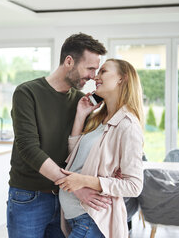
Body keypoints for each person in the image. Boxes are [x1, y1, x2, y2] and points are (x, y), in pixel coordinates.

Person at [7, 33, 110, 238]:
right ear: (69, 61)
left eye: (95, 70)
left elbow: (77, 151)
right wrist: (75, 187)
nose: (93, 76)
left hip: (65, 201)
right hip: (29, 196)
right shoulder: (27, 93)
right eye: (90, 68)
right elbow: (29, 149)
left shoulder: (81, 102)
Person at [56, 58, 145, 238]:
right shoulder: (100, 119)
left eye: (103, 71)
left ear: (122, 79)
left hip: (92, 221)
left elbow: (134, 185)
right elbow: (75, 158)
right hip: (75, 217)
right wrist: (81, 116)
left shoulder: (128, 125)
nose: (96, 77)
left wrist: (85, 181)